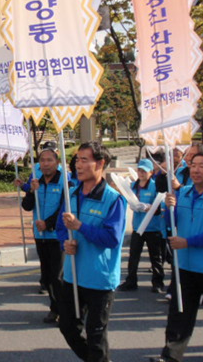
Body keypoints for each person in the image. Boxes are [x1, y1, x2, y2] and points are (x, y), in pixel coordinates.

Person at [150, 151, 203, 362]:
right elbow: (172, 224)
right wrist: (168, 209)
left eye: (202, 166)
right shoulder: (183, 193)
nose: (196, 170)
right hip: (185, 263)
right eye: (193, 165)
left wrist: (188, 242)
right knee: (179, 312)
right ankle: (170, 355)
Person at [56, 142, 126, 362]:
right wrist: (64, 244)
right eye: (77, 159)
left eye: (84, 160)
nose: (79, 165)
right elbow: (60, 228)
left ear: (100, 163)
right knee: (67, 326)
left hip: (99, 278)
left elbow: (112, 239)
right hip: (72, 275)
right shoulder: (71, 195)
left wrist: (80, 227)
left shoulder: (114, 200)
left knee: (96, 334)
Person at [21, 145, 66, 323]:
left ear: (57, 162)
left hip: (58, 236)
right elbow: (27, 206)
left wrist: (48, 224)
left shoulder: (64, 181)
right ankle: (55, 307)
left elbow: (66, 207)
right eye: (42, 160)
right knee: (47, 277)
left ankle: (63, 311)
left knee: (58, 276)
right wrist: (31, 191)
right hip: (40, 236)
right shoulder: (36, 180)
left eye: (49, 160)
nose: (45, 164)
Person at [118, 159, 165, 293]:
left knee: (155, 257)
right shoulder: (133, 186)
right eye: (139, 170)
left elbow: (160, 207)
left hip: (152, 227)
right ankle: (131, 281)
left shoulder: (156, 186)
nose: (141, 173)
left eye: (144, 171)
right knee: (133, 256)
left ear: (151, 172)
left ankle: (158, 283)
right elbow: (125, 197)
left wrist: (149, 207)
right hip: (137, 227)